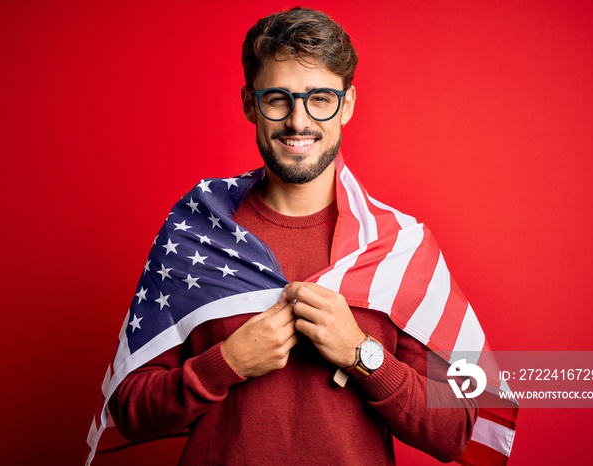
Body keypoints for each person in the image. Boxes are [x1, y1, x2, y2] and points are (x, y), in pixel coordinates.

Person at [88, 7, 515, 466]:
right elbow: (129, 410)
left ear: (347, 103)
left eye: (320, 98)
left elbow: (455, 430)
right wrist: (225, 363)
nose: (298, 121)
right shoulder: (196, 230)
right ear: (250, 103)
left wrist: (361, 353)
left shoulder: (398, 247)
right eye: (278, 99)